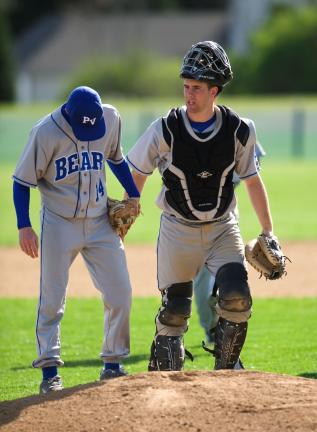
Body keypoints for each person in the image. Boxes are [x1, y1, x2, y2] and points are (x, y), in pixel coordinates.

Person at [126, 41, 280, 371]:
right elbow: (136, 172)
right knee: (175, 311)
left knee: (237, 296)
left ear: (215, 91)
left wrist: (268, 231)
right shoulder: (165, 128)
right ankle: (162, 384)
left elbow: (252, 181)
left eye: (196, 88)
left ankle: (226, 375)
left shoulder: (240, 130)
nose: (188, 94)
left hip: (223, 226)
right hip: (177, 229)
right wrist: (130, 208)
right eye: (185, 86)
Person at [13, 86, 140, 394]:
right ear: (69, 115)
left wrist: (133, 193)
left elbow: (116, 158)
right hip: (58, 223)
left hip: (99, 222)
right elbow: (21, 182)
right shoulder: (45, 133)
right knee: (52, 299)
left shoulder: (109, 118)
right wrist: (24, 226)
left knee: (120, 292)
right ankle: (49, 372)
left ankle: (112, 364)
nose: (90, 130)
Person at [194, 142, 266, 345]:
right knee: (200, 282)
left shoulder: (237, 126)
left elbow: (255, 161)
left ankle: (224, 334)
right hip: (190, 217)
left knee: (231, 281)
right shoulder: (186, 128)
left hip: (227, 212)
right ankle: (210, 326)